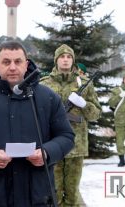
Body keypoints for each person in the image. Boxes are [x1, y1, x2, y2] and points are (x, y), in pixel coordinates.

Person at [0, 40, 75, 207]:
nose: (13, 67)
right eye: (6, 62)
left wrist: (46, 153)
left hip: (38, 195)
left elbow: (66, 136)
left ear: (26, 64)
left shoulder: (48, 98)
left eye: (18, 61)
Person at [40, 44, 101, 207]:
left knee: (73, 194)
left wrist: (84, 104)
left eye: (69, 57)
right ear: (56, 60)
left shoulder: (85, 84)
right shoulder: (44, 84)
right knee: (54, 191)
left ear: (73, 60)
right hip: (52, 145)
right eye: (62, 57)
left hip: (76, 145)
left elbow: (96, 114)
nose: (65, 60)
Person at [108, 71, 125, 168]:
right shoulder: (116, 90)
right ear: (123, 79)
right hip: (120, 121)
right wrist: (119, 96)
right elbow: (110, 103)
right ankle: (121, 161)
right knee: (119, 141)